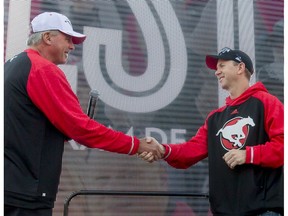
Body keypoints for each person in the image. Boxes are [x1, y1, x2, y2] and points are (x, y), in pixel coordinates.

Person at [4, 11, 163, 216]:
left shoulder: (11, 65)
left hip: (12, 186)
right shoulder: (42, 69)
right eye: (67, 39)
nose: (72, 46)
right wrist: (136, 144)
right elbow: (81, 129)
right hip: (26, 192)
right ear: (47, 37)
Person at [140, 47, 284, 216]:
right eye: (217, 68)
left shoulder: (267, 102)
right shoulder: (215, 117)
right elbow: (190, 151)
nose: (217, 72)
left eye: (222, 66)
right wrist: (163, 150)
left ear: (240, 68)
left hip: (263, 211)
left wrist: (248, 154)